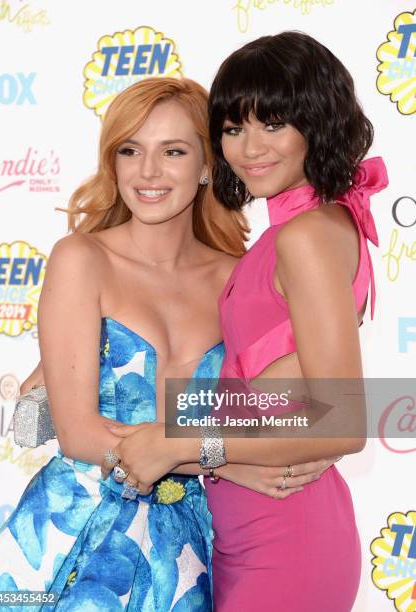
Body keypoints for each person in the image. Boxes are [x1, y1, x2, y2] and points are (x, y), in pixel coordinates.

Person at [0, 76, 333, 612]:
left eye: (172, 151)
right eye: (130, 150)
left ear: (205, 166)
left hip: (187, 550)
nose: (148, 172)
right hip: (74, 531)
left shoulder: (241, 280)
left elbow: (297, 404)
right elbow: (79, 435)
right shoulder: (82, 259)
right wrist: (227, 463)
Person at [103, 34, 388, 611]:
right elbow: (261, 392)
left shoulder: (306, 236)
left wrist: (187, 441)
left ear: (317, 122)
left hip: (288, 534)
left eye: (273, 124)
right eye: (233, 129)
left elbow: (343, 420)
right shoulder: (294, 234)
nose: (249, 148)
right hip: (240, 532)